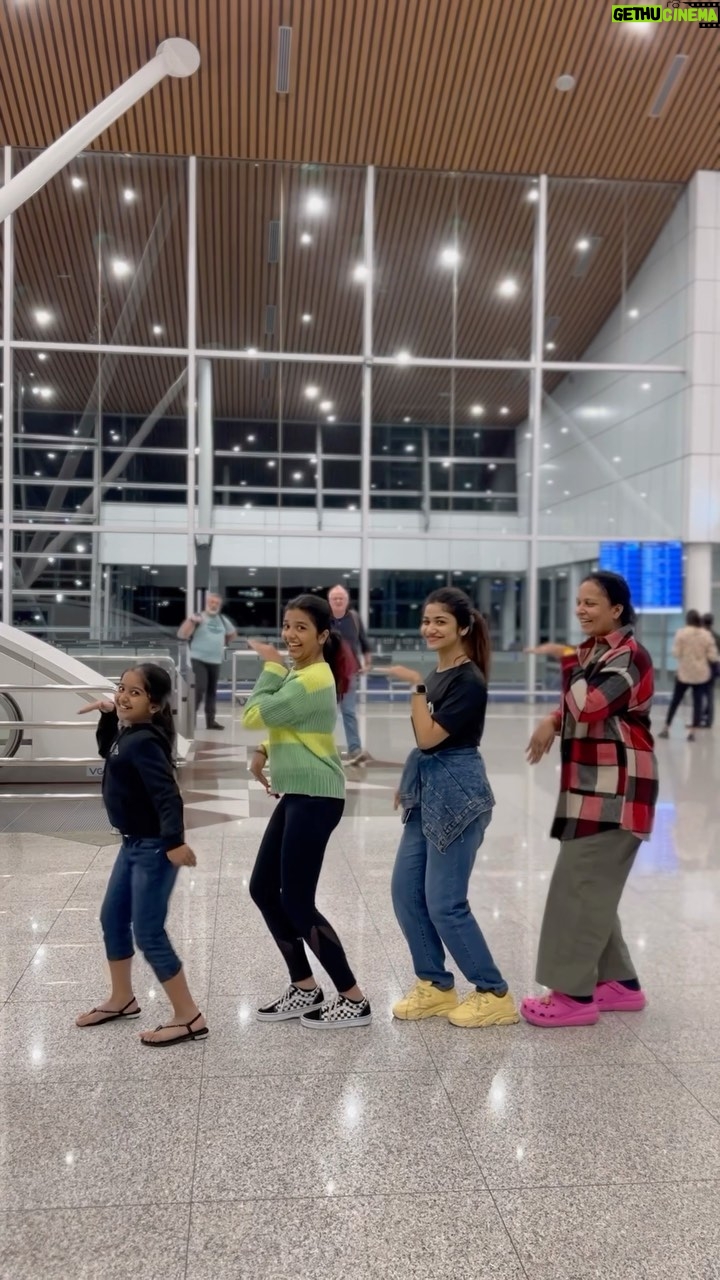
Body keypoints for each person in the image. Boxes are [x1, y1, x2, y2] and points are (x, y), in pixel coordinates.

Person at [521, 571, 658, 1028]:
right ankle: (620, 984)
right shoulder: (600, 652)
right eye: (579, 602)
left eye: (591, 603)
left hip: (617, 789)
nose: (581, 610)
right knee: (589, 888)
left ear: (617, 609)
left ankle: (573, 996)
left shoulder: (630, 656)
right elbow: (576, 708)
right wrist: (549, 719)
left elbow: (591, 705)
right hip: (592, 786)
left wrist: (565, 660)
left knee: (576, 888)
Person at [387, 587, 519, 1029]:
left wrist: (416, 688)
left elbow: (427, 738)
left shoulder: (467, 679)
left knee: (445, 902)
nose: (430, 628)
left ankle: (493, 992)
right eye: (426, 620)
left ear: (463, 627)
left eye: (440, 621)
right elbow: (424, 746)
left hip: (460, 797)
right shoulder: (440, 673)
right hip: (429, 795)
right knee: (406, 892)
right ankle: (436, 985)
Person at [242, 594, 372, 1029]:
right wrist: (264, 750)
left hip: (317, 797)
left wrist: (270, 665)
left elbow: (254, 713)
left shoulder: (312, 677)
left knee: (297, 901)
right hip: (298, 792)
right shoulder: (303, 674)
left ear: (322, 634)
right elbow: (289, 722)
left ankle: (352, 997)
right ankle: (304, 987)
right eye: (286, 626)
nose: (290, 635)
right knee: (263, 888)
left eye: (300, 628)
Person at [75, 664, 208, 1047]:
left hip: (153, 848)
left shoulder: (147, 742)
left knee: (148, 931)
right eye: (122, 689)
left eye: (135, 693)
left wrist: (174, 842)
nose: (123, 696)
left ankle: (189, 1016)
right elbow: (109, 750)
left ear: (154, 705)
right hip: (131, 843)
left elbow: (168, 794)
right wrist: (106, 715)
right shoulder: (128, 735)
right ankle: (122, 999)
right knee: (113, 918)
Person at [178, 592, 237, 730]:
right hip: (199, 659)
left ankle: (211, 722)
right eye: (212, 602)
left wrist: (224, 641)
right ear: (207, 603)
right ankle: (190, 720)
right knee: (200, 688)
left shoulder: (222, 619)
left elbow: (232, 634)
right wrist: (191, 622)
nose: (214, 605)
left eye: (217, 603)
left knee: (212, 691)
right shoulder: (198, 617)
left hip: (215, 660)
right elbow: (182, 634)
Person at [327, 584, 372, 766]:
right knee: (325, 711)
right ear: (329, 601)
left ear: (347, 600)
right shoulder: (322, 619)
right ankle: (322, 748)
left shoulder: (354, 618)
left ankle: (355, 749)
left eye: (341, 598)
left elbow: (364, 641)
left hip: (349, 672)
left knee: (348, 711)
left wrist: (367, 662)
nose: (338, 601)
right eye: (335, 598)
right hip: (326, 671)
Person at [658, 609, 718, 742]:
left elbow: (675, 653)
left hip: (684, 673)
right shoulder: (706, 635)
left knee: (675, 701)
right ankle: (692, 733)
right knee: (697, 703)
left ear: (687, 620)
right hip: (701, 675)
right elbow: (713, 656)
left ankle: (666, 728)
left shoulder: (681, 633)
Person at [700, 613, 720, 728]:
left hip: (703, 668)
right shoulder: (716, 636)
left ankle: (705, 718)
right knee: (709, 694)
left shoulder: (702, 636)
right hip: (713, 668)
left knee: (701, 694)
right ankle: (708, 717)